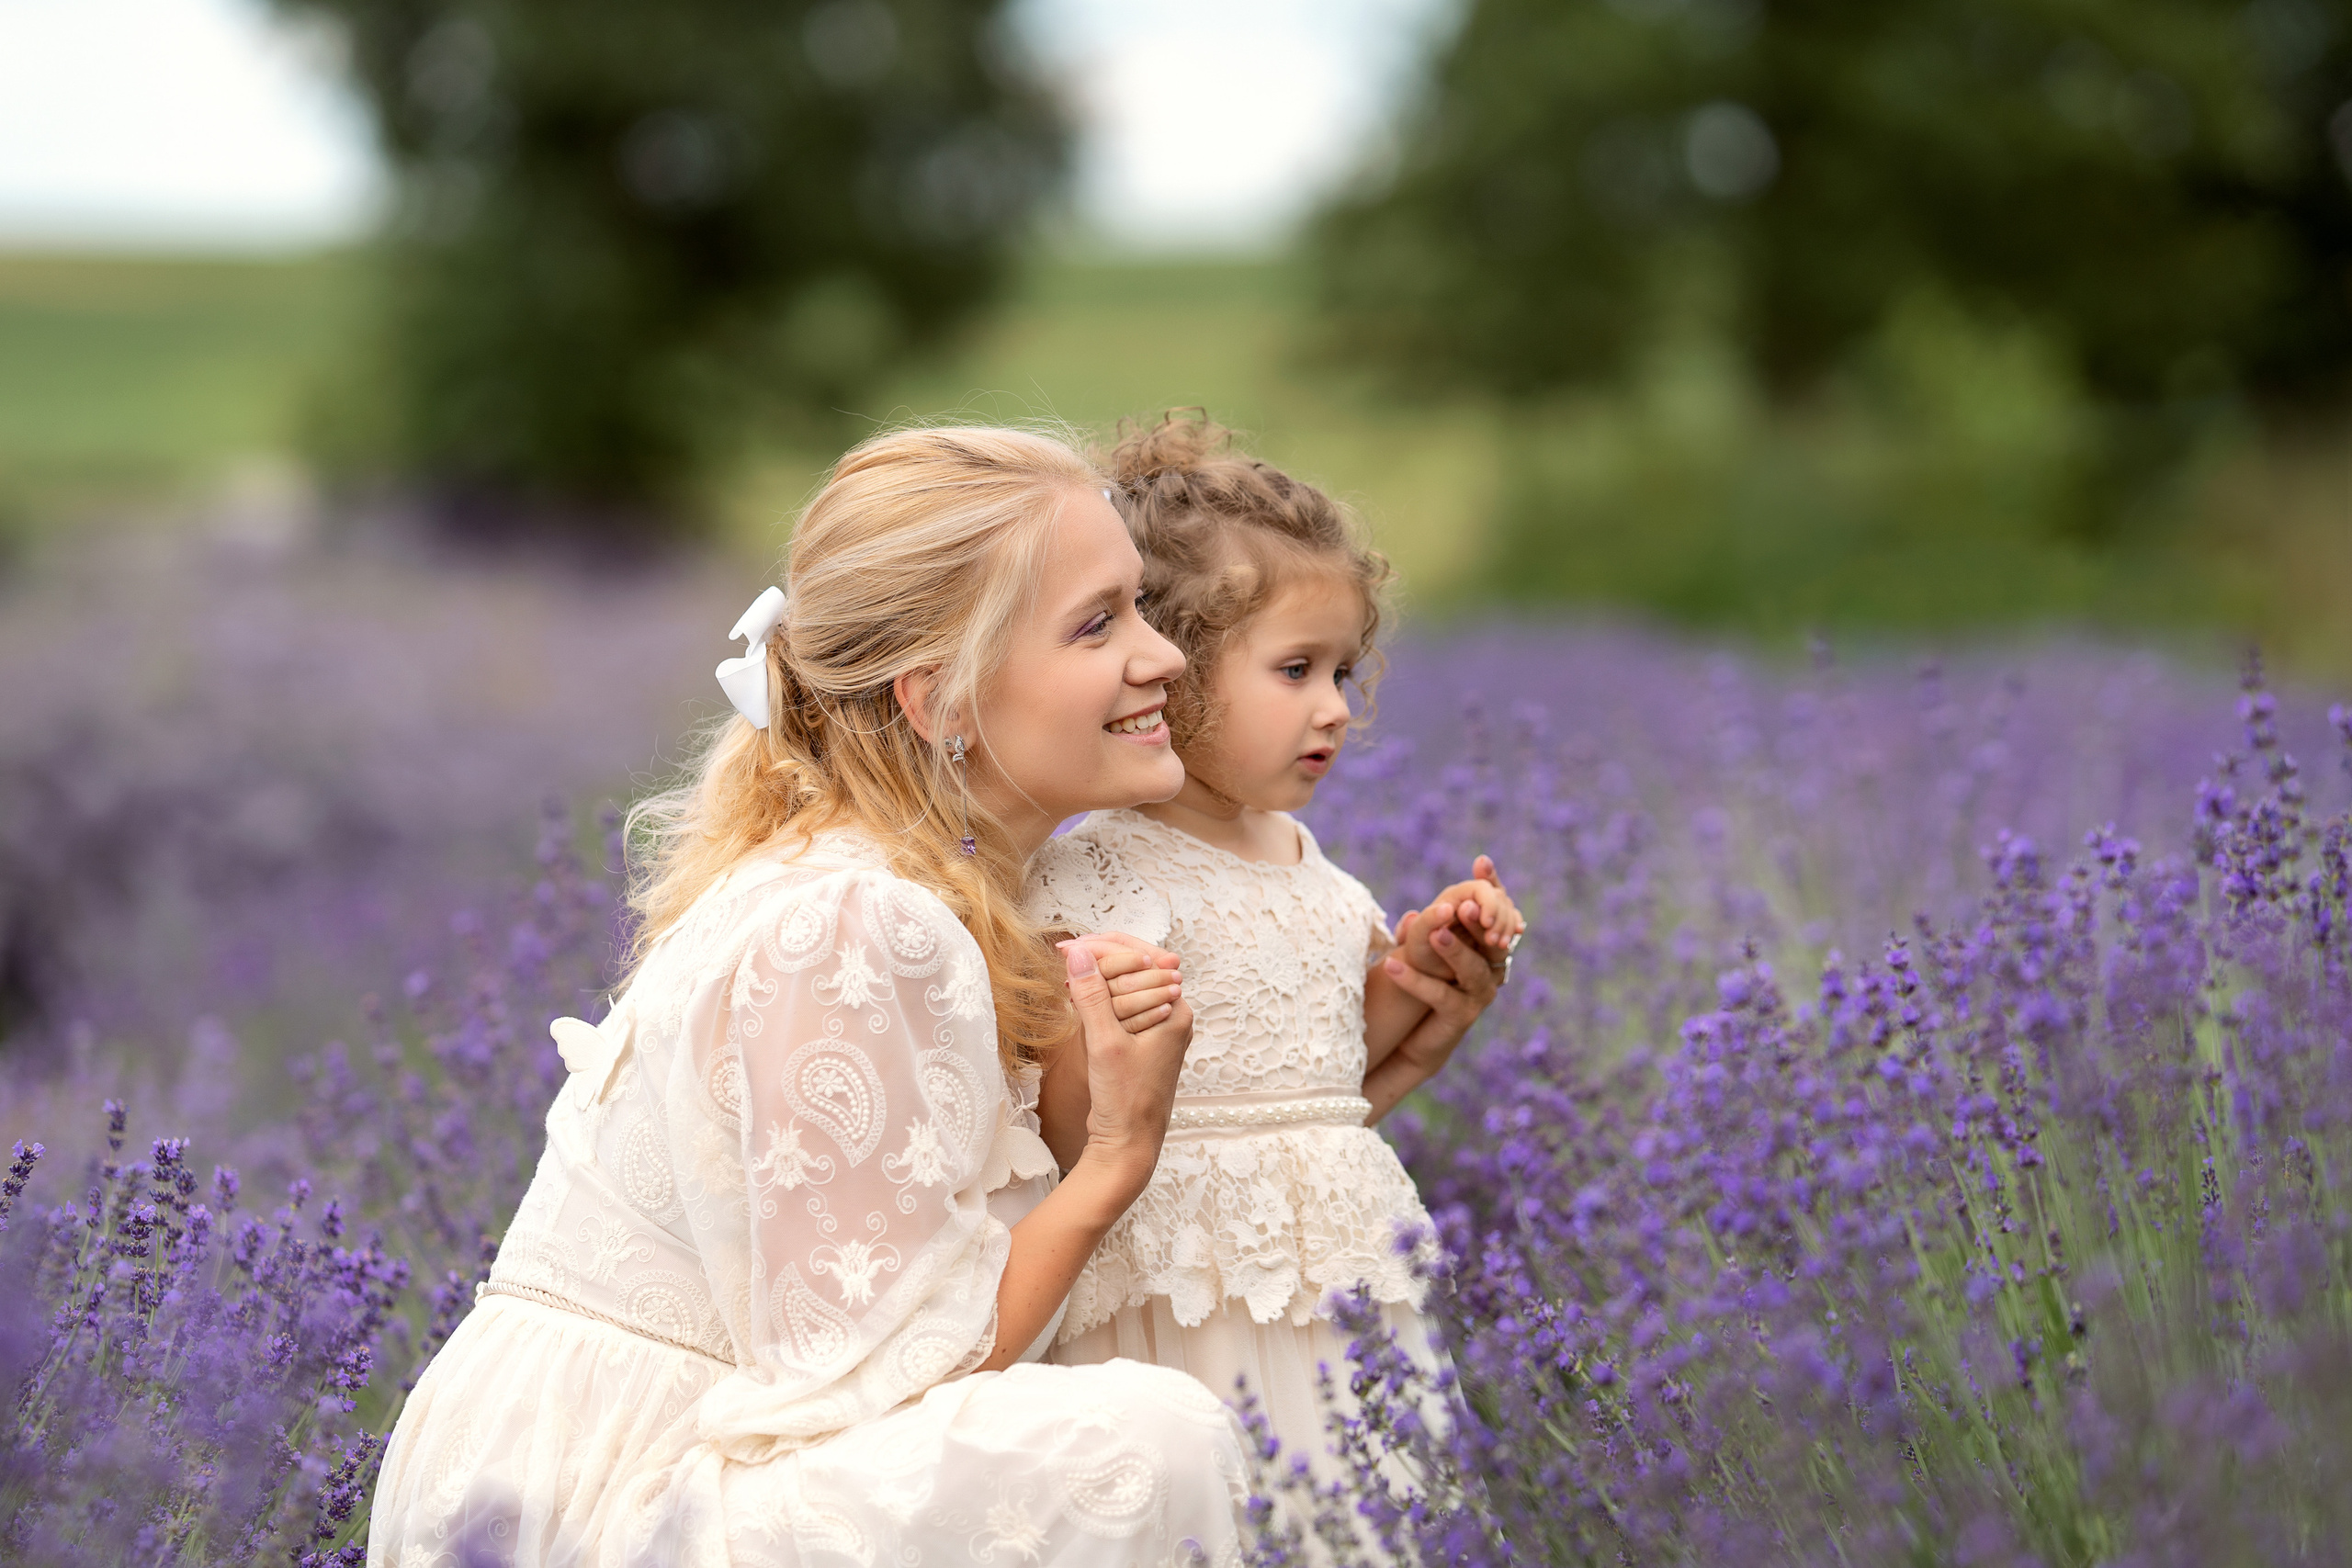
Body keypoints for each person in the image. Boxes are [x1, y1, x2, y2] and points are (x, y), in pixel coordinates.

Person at [368, 426, 1253, 1567]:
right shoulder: (856, 919)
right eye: (1097, 623)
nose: (1164, 658)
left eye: (1140, 607)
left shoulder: (893, 886)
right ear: (940, 700)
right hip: (598, 1498)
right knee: (1145, 1443)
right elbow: (884, 1383)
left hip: (599, 1464)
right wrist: (1116, 1156)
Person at [1023, 413, 1522, 1479]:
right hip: (1186, 1296)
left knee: (1358, 1502)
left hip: (1334, 1282)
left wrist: (1423, 966)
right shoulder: (1102, 874)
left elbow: (1322, 1068)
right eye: (1295, 670)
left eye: (1344, 674)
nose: (1335, 710)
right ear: (1175, 670)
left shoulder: (1308, 863)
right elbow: (1060, 1129)